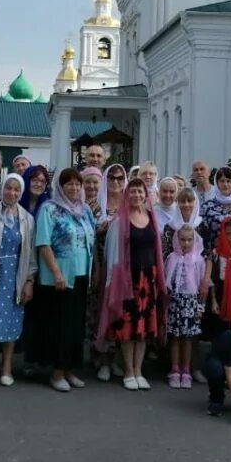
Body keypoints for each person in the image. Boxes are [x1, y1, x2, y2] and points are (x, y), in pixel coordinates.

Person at [31, 168, 97, 392]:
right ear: (60, 186)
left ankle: (69, 369)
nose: (74, 188)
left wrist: (93, 271)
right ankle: (57, 372)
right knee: (61, 326)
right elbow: (43, 243)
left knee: (76, 326)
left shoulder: (85, 210)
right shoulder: (50, 209)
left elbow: (91, 241)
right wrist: (56, 272)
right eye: (69, 184)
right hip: (59, 277)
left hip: (80, 275)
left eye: (78, 184)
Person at [100, 177, 166, 390]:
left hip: (149, 281)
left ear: (146, 195)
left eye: (141, 192)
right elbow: (111, 254)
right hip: (128, 281)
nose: (137, 195)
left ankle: (139, 370)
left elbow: (157, 250)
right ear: (127, 195)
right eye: (133, 192)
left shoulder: (151, 217)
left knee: (144, 327)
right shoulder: (120, 221)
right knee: (128, 327)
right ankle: (128, 370)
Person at [0, 173, 37, 387]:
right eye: (8, 188)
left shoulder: (27, 218)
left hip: (16, 276)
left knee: (12, 322)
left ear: (21, 193)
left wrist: (29, 281)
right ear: (2, 188)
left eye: (16, 190)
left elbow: (30, 253)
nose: (11, 193)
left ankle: (6, 367)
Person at [88, 163, 128, 382]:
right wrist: (100, 229)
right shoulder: (95, 204)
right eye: (111, 178)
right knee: (99, 313)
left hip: (121, 267)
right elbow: (85, 233)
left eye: (120, 178)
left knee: (119, 314)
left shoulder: (129, 203)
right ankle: (101, 359)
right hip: (101, 264)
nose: (115, 182)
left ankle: (115, 359)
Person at [165, 224, 210, 389]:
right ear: (177, 240)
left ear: (194, 240)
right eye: (182, 239)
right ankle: (175, 369)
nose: (186, 243)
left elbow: (201, 287)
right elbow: (167, 281)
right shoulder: (171, 257)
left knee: (188, 339)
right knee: (175, 338)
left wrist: (200, 308)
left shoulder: (198, 260)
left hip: (191, 302)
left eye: (189, 240)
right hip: (175, 301)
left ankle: (186, 370)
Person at [153, 177, 183, 255]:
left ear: (176, 193)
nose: (168, 195)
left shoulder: (181, 211)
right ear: (159, 192)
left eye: (171, 191)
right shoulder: (151, 212)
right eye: (164, 191)